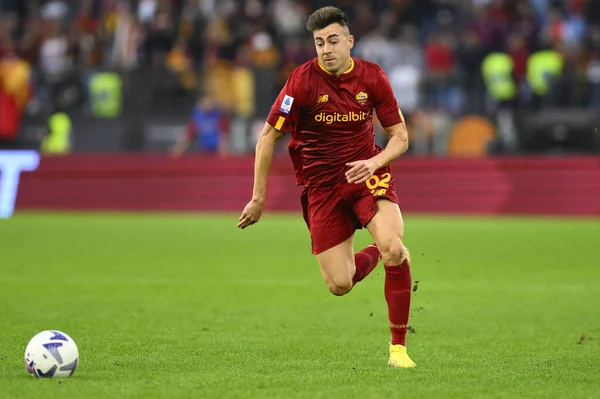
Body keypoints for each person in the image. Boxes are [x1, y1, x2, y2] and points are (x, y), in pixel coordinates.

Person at [238, 6, 415, 368]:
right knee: (340, 284)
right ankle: (379, 251)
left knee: (395, 248)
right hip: (322, 188)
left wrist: (375, 162)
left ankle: (398, 349)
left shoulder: (373, 78)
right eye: (319, 42)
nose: (326, 49)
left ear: (349, 42)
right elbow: (266, 139)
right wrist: (258, 199)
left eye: (333, 40)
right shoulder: (301, 82)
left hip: (367, 174)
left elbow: (400, 137)